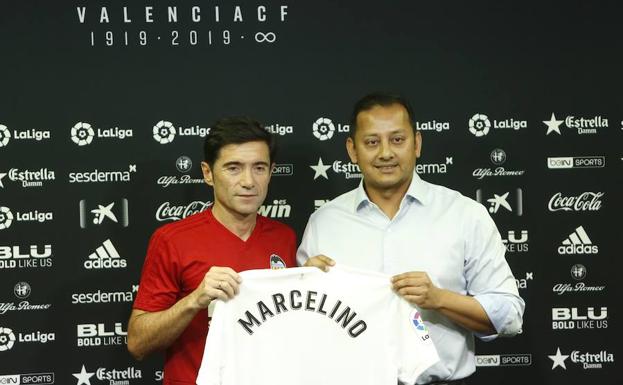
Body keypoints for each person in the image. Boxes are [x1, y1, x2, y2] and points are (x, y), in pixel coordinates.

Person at [297, 92, 525, 384]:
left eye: (397, 139)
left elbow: (509, 315)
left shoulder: (465, 214)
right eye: (371, 142)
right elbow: (303, 328)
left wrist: (439, 299)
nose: (385, 153)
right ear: (352, 150)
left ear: (416, 143)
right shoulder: (324, 222)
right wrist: (309, 289)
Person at [128, 117, 297, 385]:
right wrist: (196, 299)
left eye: (259, 168)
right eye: (233, 168)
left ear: (271, 172)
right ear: (208, 173)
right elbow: (137, 343)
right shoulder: (171, 239)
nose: (248, 181)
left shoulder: (284, 238)